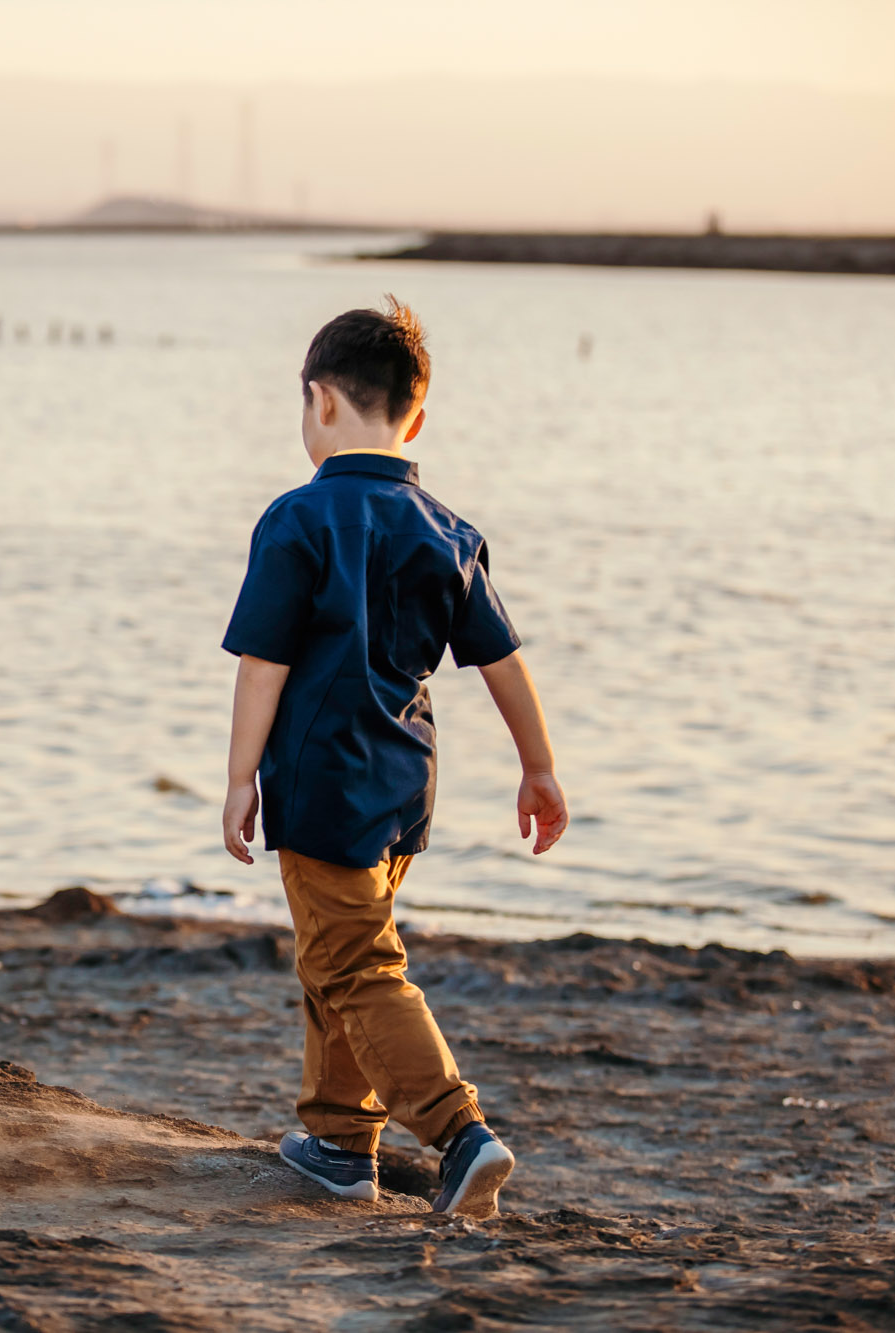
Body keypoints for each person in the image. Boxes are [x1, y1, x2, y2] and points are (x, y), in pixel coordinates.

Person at [219, 298, 568, 1217]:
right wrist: (539, 768)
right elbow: (502, 661)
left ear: (319, 402)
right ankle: (338, 1139)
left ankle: (460, 1135)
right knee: (339, 958)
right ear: (415, 418)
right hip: (403, 785)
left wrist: (237, 780)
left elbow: (264, 665)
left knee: (357, 967)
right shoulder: (444, 528)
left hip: (319, 778)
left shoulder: (298, 519)